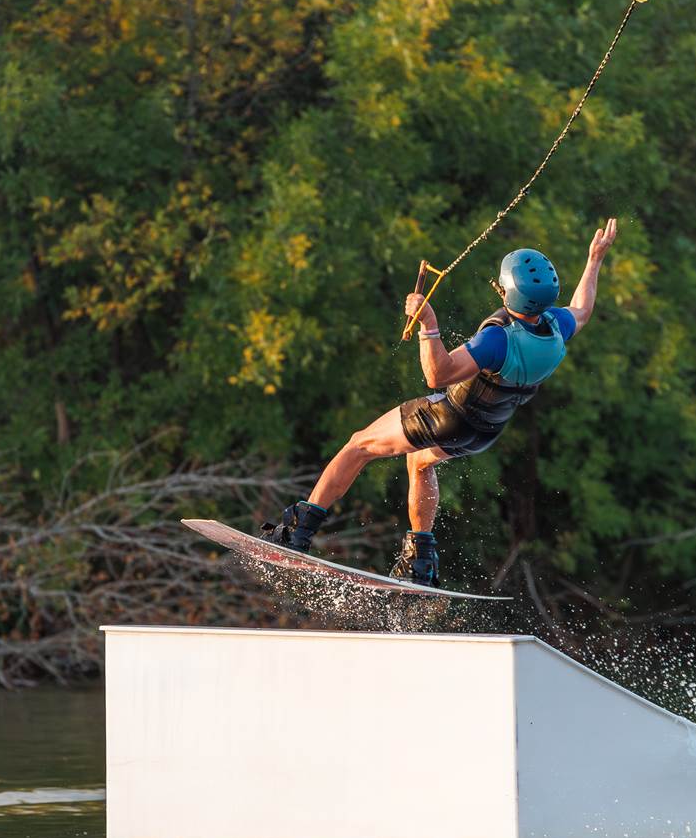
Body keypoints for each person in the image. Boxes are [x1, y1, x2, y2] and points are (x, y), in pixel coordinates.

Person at [261, 219, 619, 587]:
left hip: (448, 417)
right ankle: (420, 560)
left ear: (509, 294)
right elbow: (582, 309)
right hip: (485, 432)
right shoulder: (557, 329)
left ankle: (297, 533)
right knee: (419, 461)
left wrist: (428, 324)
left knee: (358, 446)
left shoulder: (497, 341)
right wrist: (594, 259)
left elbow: (438, 375)